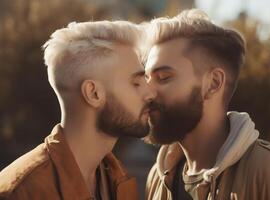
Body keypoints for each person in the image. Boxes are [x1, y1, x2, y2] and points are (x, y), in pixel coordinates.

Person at [144, 9, 270, 200]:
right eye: (146, 78)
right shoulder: (158, 177)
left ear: (213, 84)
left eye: (164, 77)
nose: (146, 92)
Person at [0, 20, 156, 200]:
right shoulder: (21, 193)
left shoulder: (118, 180)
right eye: (136, 83)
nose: (150, 93)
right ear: (94, 93)